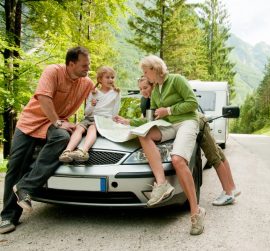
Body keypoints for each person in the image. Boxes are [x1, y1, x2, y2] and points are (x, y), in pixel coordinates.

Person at [0, 46, 94, 234]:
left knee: (61, 138)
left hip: (55, 126)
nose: (88, 68)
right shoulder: (53, 71)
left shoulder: (87, 83)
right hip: (31, 124)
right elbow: (44, 97)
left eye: (89, 65)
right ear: (71, 63)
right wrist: (57, 121)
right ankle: (7, 216)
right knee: (15, 166)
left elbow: (101, 101)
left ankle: (25, 187)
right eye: (84, 65)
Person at [115, 77, 241, 206]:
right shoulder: (148, 100)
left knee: (214, 155)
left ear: (153, 85)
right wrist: (129, 121)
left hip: (197, 121)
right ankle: (232, 187)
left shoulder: (161, 95)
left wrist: (131, 121)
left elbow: (155, 118)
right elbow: (147, 119)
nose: (143, 91)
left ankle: (228, 192)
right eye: (140, 89)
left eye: (146, 88)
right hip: (184, 123)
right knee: (216, 152)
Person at [137, 55, 205, 235]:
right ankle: (162, 183)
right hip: (169, 125)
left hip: (186, 122)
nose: (145, 75)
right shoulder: (156, 89)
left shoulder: (176, 80)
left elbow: (193, 103)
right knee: (143, 135)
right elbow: (155, 116)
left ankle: (195, 212)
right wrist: (128, 122)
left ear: (154, 68)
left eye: (146, 71)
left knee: (177, 160)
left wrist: (168, 110)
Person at [59, 66, 121, 163]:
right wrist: (92, 105)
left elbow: (115, 112)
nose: (110, 80)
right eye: (107, 77)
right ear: (100, 79)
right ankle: (67, 151)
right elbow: (86, 112)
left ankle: (83, 151)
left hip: (103, 120)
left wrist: (110, 122)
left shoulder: (116, 93)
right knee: (79, 128)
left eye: (112, 77)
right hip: (89, 118)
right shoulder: (93, 93)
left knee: (92, 127)